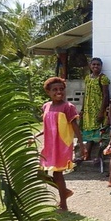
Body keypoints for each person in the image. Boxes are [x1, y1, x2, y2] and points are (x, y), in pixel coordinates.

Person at [38, 77, 86, 211]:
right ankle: (64, 191)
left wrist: (82, 145)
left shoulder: (68, 107)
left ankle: (63, 204)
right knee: (40, 173)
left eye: (61, 89)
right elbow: (48, 126)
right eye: (54, 89)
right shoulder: (46, 106)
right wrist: (35, 136)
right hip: (49, 146)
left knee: (57, 174)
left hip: (61, 145)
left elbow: (76, 127)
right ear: (48, 92)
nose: (58, 92)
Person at [80, 57, 110, 163]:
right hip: (89, 111)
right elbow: (86, 94)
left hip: (98, 109)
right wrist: (83, 109)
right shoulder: (87, 78)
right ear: (90, 66)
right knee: (89, 134)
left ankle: (99, 156)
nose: (96, 66)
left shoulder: (103, 78)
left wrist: (102, 111)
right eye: (94, 64)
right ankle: (86, 155)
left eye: (98, 65)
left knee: (100, 133)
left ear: (101, 66)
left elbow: (106, 95)